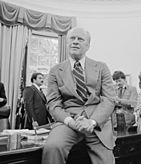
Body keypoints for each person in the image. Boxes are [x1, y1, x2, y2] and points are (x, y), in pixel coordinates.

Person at [42, 27, 116, 164]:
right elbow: (53, 104)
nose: (75, 42)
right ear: (67, 43)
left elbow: (109, 100)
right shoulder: (55, 71)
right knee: (52, 147)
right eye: (72, 38)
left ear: (88, 45)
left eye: (80, 39)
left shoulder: (101, 67)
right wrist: (70, 121)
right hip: (69, 122)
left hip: (97, 123)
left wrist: (92, 122)